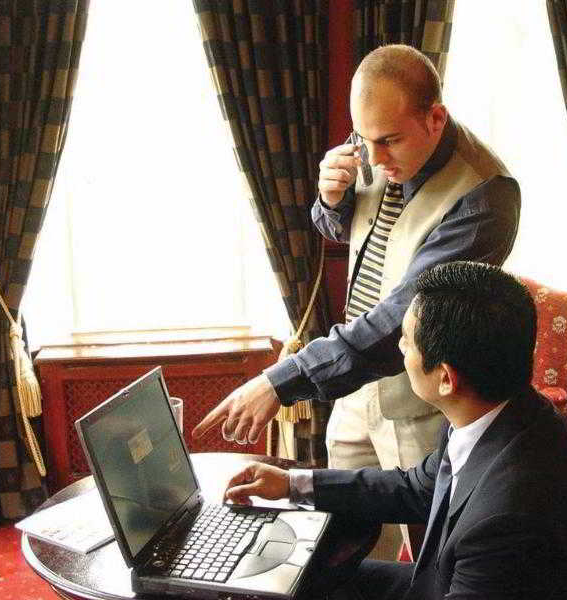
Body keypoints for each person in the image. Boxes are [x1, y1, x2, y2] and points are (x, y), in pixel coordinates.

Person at [193, 44, 520, 553]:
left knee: (432, 559)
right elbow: (349, 232)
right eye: (363, 140)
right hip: (353, 387)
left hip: (424, 401)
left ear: (435, 118)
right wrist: (330, 201)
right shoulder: (373, 142)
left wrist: (281, 381)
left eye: (388, 141)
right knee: (346, 547)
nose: (375, 158)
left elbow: (398, 322)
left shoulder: (485, 195)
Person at [222, 262, 567, 600]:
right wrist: (292, 484)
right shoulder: (504, 411)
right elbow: (416, 488)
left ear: (446, 378)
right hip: (442, 582)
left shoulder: (506, 518)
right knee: (297, 581)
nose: (400, 347)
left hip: (456, 587)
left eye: (407, 340)